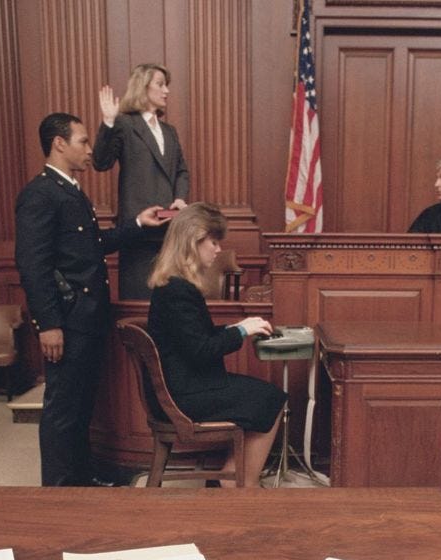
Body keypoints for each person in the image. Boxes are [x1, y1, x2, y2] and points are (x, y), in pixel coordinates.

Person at [15, 112, 164, 487]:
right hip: (65, 321)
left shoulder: (70, 191)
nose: (89, 149)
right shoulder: (40, 193)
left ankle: (80, 480)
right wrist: (48, 324)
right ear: (59, 143)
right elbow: (33, 266)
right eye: (83, 141)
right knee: (63, 409)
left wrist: (137, 224)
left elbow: (92, 246)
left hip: (87, 319)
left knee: (82, 408)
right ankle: (60, 490)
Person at [147, 203, 286, 488]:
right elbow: (201, 351)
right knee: (272, 398)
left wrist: (237, 328)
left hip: (185, 385)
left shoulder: (174, 286)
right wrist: (242, 332)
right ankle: (241, 484)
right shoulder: (177, 291)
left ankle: (233, 476)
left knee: (263, 396)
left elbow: (198, 337)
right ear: (192, 241)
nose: (218, 249)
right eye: (213, 241)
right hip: (185, 395)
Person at [93, 64, 190, 299]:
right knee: (139, 304)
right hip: (139, 232)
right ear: (142, 87)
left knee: (169, 303)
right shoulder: (125, 124)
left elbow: (181, 171)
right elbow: (100, 162)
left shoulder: (170, 131)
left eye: (167, 85)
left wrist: (179, 198)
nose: (166, 90)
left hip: (170, 231)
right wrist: (108, 122)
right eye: (160, 84)